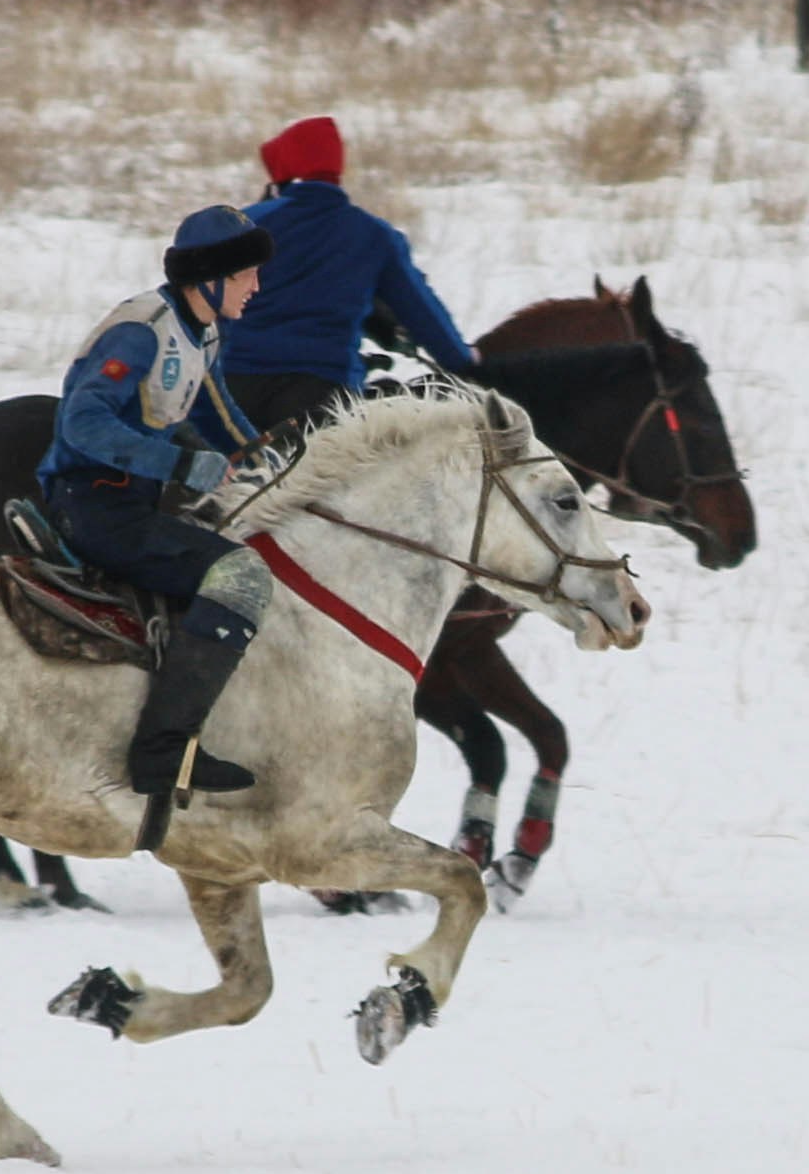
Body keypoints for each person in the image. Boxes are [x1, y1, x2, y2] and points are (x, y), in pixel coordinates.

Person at [37, 204, 281, 851]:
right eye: (245, 275)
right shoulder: (141, 331)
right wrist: (177, 464)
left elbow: (212, 407)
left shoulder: (199, 332)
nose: (255, 287)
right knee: (241, 576)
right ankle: (161, 751)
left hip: (137, 502)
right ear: (208, 277)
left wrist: (260, 458)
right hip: (93, 503)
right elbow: (81, 425)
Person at [215, 113, 481, 437]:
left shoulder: (245, 224)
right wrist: (462, 360)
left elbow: (203, 297)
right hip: (322, 392)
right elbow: (421, 311)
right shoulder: (374, 235)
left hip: (233, 385)